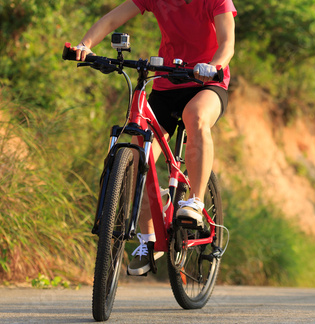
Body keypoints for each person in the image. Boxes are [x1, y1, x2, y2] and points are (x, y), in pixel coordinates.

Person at [73, 0, 236, 275]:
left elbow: (227, 42)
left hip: (207, 82)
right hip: (166, 82)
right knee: (139, 155)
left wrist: (214, 65)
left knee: (195, 116)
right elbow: (113, 19)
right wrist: (85, 45)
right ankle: (149, 240)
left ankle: (194, 201)